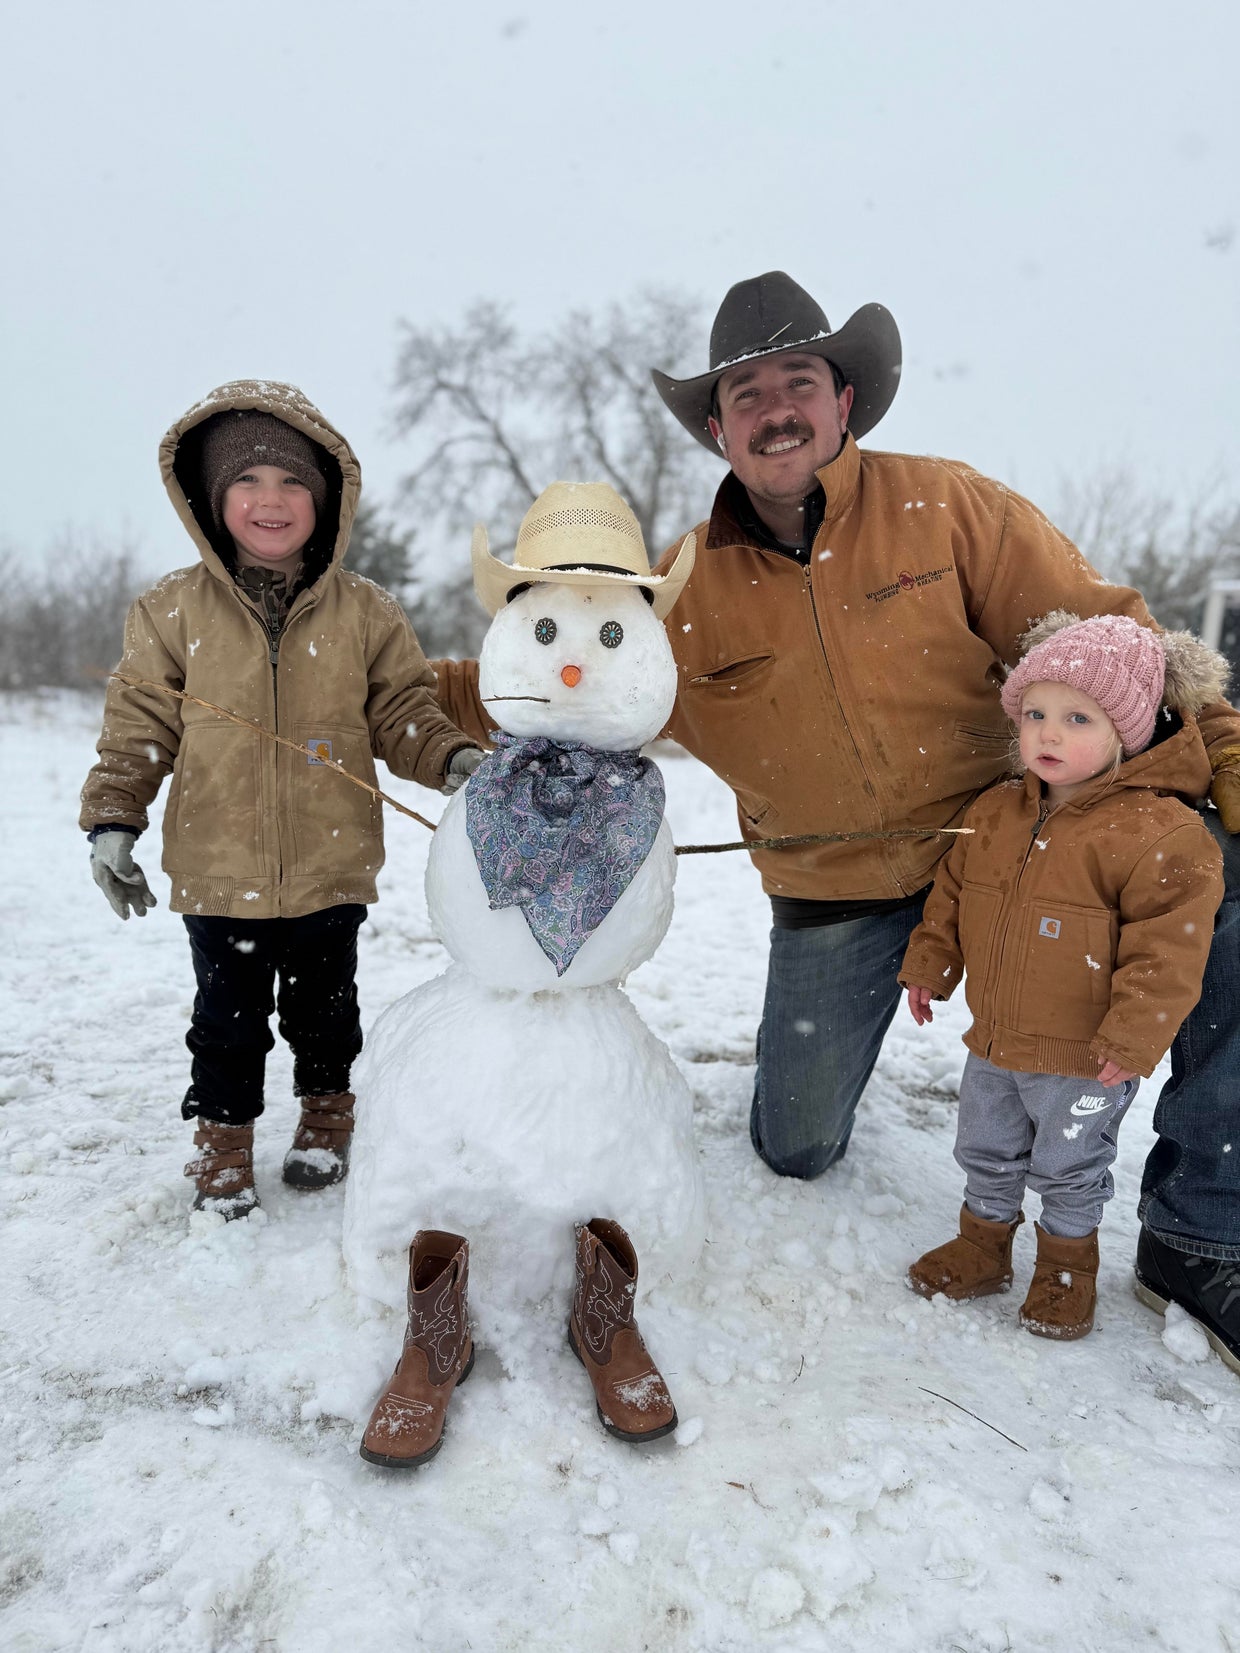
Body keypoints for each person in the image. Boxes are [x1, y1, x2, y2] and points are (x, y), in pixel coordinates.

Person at [428, 271, 1240, 1374]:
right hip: (835, 891)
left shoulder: (949, 509)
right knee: (795, 1144)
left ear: (843, 400)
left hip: (1009, 849)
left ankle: (1200, 1230)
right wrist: (391, 696)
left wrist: (1218, 750)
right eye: (746, 393)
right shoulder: (679, 591)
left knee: (1220, 886)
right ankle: (816, 1068)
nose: (776, 409)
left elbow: (1107, 642)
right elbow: (554, 673)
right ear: (716, 429)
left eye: (798, 381)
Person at [80, 381, 484, 1220]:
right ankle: (223, 1141)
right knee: (225, 1022)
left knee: (325, 1013)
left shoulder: (365, 611)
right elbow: (137, 727)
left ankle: (327, 1115)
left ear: (325, 497)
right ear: (212, 498)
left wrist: (449, 756)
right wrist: (114, 819)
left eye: (293, 481)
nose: (272, 500)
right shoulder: (170, 610)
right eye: (248, 481)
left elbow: (402, 711)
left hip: (329, 867)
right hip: (218, 868)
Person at [898, 613, 1224, 1340]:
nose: (1048, 733)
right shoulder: (995, 811)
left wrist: (1134, 1035)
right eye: (1035, 713)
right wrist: (930, 963)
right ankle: (984, 1246)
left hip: (1085, 1058)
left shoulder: (1161, 834)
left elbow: (1170, 952)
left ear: (1126, 732)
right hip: (994, 1040)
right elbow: (953, 894)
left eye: (1078, 718)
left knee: (1070, 1164)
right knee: (985, 1147)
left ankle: (1066, 1267)